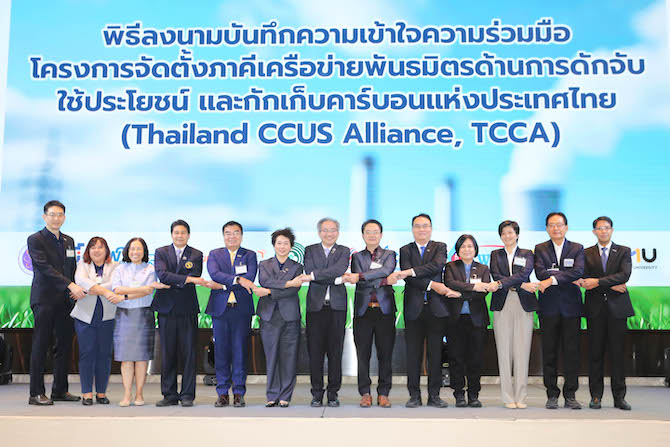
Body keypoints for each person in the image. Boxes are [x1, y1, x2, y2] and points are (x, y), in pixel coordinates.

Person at [396, 213, 457, 408]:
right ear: (412, 229)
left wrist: (412, 271)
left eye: (425, 226)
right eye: (418, 226)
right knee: (413, 355)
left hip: (436, 309)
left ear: (431, 229)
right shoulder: (405, 250)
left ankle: (434, 396)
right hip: (413, 309)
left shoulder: (440, 247)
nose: (422, 229)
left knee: (435, 355)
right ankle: (414, 395)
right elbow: (409, 279)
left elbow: (436, 266)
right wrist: (432, 285)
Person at [27, 200, 85, 405]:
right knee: (41, 345)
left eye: (60, 215)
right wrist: (70, 285)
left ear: (64, 217)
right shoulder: (35, 239)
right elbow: (44, 267)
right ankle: (36, 393)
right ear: (45, 217)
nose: (56, 218)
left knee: (64, 346)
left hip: (65, 301)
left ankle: (60, 390)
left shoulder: (69, 240)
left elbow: (71, 267)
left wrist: (78, 286)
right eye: (52, 214)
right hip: (44, 299)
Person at [205, 221, 264, 408]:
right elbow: (215, 274)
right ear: (223, 236)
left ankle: (239, 392)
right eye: (228, 233)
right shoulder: (215, 254)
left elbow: (250, 278)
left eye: (236, 233)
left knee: (240, 351)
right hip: (220, 311)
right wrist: (238, 280)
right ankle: (222, 393)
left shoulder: (250, 255)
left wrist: (223, 285)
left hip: (241, 311)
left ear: (241, 235)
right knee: (221, 352)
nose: (232, 236)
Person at [578, 216, 633, 410]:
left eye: (607, 228)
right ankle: (596, 396)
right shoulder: (585, 253)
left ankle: (619, 397)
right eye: (600, 228)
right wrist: (611, 284)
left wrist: (599, 282)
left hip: (618, 310)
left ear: (612, 230)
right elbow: (584, 279)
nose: (603, 231)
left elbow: (624, 275)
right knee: (595, 354)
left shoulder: (624, 251)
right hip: (595, 310)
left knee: (618, 354)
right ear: (594, 231)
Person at [534, 212, 585, 410]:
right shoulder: (540, 249)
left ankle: (570, 394)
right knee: (549, 352)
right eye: (552, 225)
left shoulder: (577, 248)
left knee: (572, 353)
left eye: (559, 224)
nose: (556, 228)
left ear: (566, 227)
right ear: (547, 228)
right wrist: (562, 276)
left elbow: (578, 271)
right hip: (548, 308)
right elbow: (540, 272)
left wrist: (552, 278)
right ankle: (552, 394)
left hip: (571, 308)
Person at [345, 219, 397, 408]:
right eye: (368, 232)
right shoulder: (357, 257)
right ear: (363, 235)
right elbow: (364, 279)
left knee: (385, 354)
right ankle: (365, 393)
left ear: (381, 235)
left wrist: (363, 276)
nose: (372, 235)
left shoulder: (390, 254)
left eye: (375, 232)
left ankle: (383, 393)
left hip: (385, 311)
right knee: (363, 354)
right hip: (363, 311)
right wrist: (383, 280)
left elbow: (386, 270)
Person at [152, 220, 205, 407]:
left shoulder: (196, 254)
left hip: (187, 308)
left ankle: (187, 395)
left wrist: (182, 279)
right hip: (166, 309)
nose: (179, 235)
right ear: (171, 234)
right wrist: (187, 279)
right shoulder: (161, 252)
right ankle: (169, 395)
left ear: (188, 235)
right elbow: (162, 275)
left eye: (183, 232)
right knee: (168, 353)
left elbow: (195, 275)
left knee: (189, 353)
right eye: (176, 232)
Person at [112, 237, 169, 407]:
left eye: (139, 249)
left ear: (144, 251)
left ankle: (139, 393)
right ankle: (127, 394)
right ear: (127, 251)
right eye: (132, 249)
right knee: (126, 358)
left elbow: (148, 291)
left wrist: (126, 295)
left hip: (144, 315)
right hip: (124, 315)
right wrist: (139, 290)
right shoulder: (120, 268)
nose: (135, 252)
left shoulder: (150, 269)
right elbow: (117, 289)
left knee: (142, 357)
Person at [487, 221, 537, 409]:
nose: (507, 236)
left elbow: (524, 274)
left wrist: (508, 283)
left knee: (522, 351)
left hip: (523, 303)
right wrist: (521, 285)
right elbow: (496, 275)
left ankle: (521, 397)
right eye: (504, 233)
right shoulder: (495, 254)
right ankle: (507, 397)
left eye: (510, 232)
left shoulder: (527, 253)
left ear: (517, 234)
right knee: (504, 351)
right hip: (502, 303)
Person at [302, 218, 350, 408]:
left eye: (333, 230)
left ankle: (332, 393)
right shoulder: (310, 250)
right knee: (315, 353)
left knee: (335, 352)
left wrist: (315, 276)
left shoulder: (344, 251)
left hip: (337, 308)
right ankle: (316, 393)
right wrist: (336, 279)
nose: (329, 233)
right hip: (315, 307)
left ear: (338, 232)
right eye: (325, 230)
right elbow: (310, 270)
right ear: (319, 232)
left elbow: (339, 269)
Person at [72, 237, 122, 405]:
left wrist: (91, 289)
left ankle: (101, 393)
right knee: (86, 353)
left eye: (100, 247)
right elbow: (80, 281)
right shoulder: (82, 265)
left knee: (104, 354)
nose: (97, 250)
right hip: (85, 316)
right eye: (93, 247)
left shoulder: (116, 266)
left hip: (107, 316)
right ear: (88, 250)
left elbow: (114, 284)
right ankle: (86, 393)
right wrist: (104, 290)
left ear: (106, 250)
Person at [257, 228, 305, 407]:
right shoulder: (264, 264)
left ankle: (285, 395)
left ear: (291, 246)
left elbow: (294, 289)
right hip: (268, 315)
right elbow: (264, 281)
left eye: (286, 243)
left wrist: (269, 292)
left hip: (290, 316)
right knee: (271, 356)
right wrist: (288, 283)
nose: (282, 246)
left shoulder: (297, 266)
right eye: (279, 243)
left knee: (289, 357)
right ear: (274, 245)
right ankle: (272, 394)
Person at [444, 234, 491, 408]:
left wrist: (460, 294)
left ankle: (473, 394)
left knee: (475, 359)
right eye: (463, 246)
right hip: (455, 320)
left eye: (470, 246)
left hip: (477, 320)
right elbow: (450, 283)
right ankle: (459, 394)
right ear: (458, 250)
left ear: (475, 249)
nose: (467, 249)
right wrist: (473, 287)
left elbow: (484, 291)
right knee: (456, 358)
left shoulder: (483, 268)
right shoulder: (450, 267)